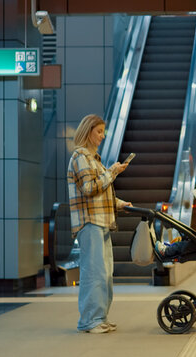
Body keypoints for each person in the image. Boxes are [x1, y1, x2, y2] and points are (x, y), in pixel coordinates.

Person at [67, 114, 132, 334]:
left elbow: (100, 194)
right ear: (88, 132)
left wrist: (121, 204)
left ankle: (100, 316)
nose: (102, 136)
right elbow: (89, 189)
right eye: (99, 132)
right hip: (90, 222)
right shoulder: (80, 157)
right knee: (94, 272)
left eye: (103, 132)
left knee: (104, 272)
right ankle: (89, 320)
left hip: (102, 221)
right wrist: (112, 172)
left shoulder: (94, 158)